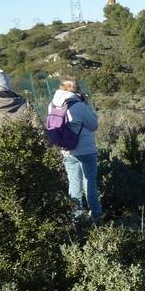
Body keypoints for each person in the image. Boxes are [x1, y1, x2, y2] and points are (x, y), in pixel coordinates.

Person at [48, 78, 101, 222]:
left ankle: (76, 218)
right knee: (90, 182)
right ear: (77, 90)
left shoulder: (52, 105)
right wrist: (86, 104)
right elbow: (93, 125)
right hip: (85, 149)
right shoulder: (79, 105)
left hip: (66, 150)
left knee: (74, 184)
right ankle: (96, 215)